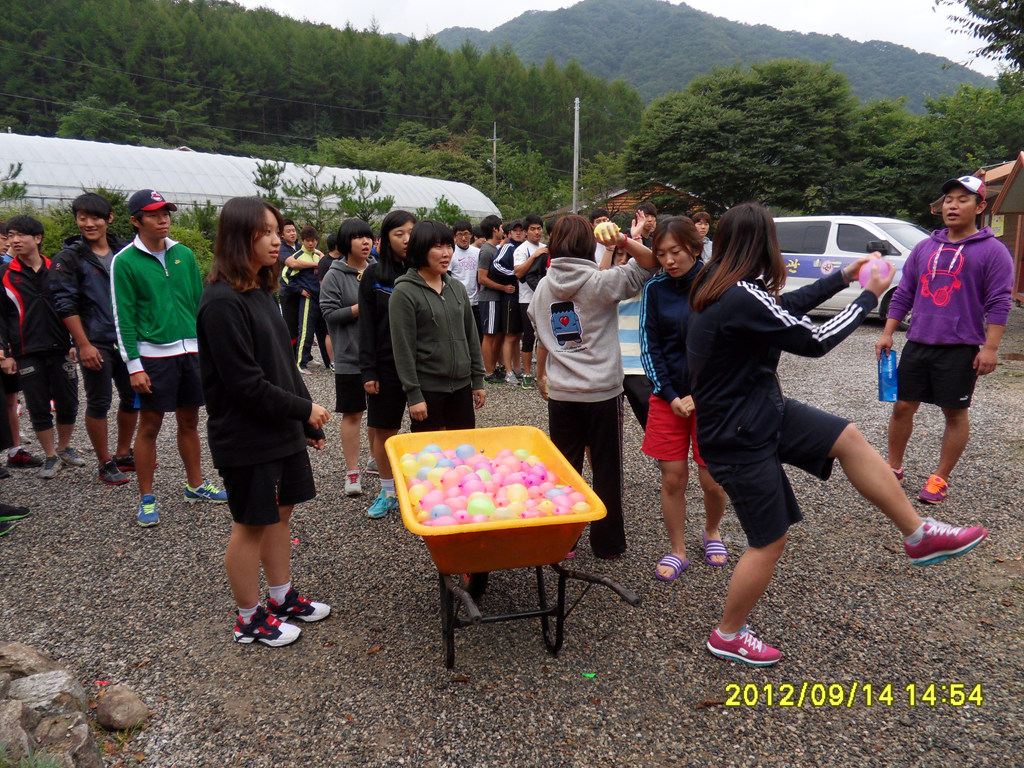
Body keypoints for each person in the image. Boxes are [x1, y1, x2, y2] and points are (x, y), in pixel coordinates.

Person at [687, 201, 989, 667]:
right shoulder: (739, 295)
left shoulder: (720, 285)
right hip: (738, 435)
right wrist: (868, 296)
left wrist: (844, 276)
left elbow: (783, 309)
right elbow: (814, 341)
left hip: (758, 413)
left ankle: (918, 534)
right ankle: (728, 634)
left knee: (847, 437)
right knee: (769, 541)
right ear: (762, 244)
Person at [197, 196, 330, 647]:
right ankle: (248, 620)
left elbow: (283, 367)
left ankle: (280, 597)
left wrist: (305, 420)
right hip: (246, 435)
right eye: (267, 232)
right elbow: (244, 384)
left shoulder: (260, 290)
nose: (278, 240)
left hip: (279, 428)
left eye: (278, 230)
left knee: (279, 514)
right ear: (239, 237)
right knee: (250, 524)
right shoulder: (221, 302)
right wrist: (302, 410)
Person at [875, 175, 1013, 505]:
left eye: (963, 200)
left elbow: (999, 301)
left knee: (954, 412)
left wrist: (990, 348)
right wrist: (887, 332)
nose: (953, 205)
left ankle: (940, 478)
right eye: (949, 199)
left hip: (960, 348)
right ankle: (893, 467)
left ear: (979, 207)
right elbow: (904, 291)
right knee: (902, 406)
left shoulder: (994, 251)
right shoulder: (925, 247)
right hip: (918, 342)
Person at [530, 214, 658, 559]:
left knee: (564, 471)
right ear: (590, 245)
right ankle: (608, 543)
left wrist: (542, 373)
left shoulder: (542, 289)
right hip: (602, 392)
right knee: (606, 470)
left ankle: (565, 541)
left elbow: (540, 332)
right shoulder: (602, 282)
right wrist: (623, 241)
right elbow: (651, 264)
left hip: (561, 393)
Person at [112, 189, 227, 527]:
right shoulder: (125, 261)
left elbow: (199, 303)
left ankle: (196, 485)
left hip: (190, 352)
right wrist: (134, 365)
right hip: (153, 357)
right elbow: (123, 316)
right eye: (153, 214)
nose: (163, 220)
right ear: (136, 221)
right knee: (150, 425)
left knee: (190, 422)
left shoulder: (184, 254)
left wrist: (209, 350)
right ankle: (147, 498)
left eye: (166, 213)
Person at [640, 216, 729, 580]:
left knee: (713, 479)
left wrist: (701, 393)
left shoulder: (717, 284)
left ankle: (712, 531)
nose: (668, 261)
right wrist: (669, 393)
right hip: (668, 399)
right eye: (661, 254)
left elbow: (728, 346)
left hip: (713, 399)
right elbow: (650, 346)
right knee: (673, 479)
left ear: (694, 247)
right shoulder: (655, 289)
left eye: (675, 251)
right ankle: (677, 548)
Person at [50, 192, 138, 485]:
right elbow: (65, 304)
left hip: (126, 335)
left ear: (109, 218)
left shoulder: (125, 250)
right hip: (95, 338)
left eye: (95, 217)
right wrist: (83, 344)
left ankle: (123, 453)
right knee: (99, 400)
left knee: (133, 396)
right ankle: (104, 462)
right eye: (82, 218)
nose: (89, 223)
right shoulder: (70, 257)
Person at [0, 215, 85, 479]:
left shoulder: (57, 268)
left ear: (37, 238)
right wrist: (5, 353)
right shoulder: (4, 274)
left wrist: (77, 342)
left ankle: (64, 448)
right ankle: (50, 455)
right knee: (37, 405)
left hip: (61, 347)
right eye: (10, 236)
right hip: (26, 350)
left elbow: (75, 305)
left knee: (68, 401)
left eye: (20, 235)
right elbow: (1, 317)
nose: (14, 240)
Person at [390, 220, 486, 432]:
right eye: (437, 246)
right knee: (430, 451)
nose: (446, 253)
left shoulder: (457, 288)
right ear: (420, 249)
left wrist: (478, 380)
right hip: (428, 389)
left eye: (448, 246)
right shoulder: (404, 292)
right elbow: (403, 348)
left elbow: (471, 336)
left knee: (463, 448)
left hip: (462, 387)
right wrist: (414, 395)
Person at [359, 210, 416, 519]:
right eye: (399, 234)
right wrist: (369, 370)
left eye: (411, 233)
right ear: (385, 238)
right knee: (385, 431)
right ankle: (388, 491)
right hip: (386, 365)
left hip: (422, 366)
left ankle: (421, 488)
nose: (406, 239)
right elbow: (366, 326)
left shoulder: (425, 271)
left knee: (425, 430)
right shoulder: (374, 276)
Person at [321, 218, 377, 497]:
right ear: (346, 243)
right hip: (349, 356)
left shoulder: (378, 270)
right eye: (358, 237)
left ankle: (376, 459)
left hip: (378, 356)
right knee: (353, 413)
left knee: (378, 413)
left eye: (368, 237)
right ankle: (352, 471)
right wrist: (360, 308)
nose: (365, 242)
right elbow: (329, 313)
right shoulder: (334, 275)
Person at [279, 225, 326, 374]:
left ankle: (329, 362)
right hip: (305, 299)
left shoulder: (317, 254)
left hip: (320, 298)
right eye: (308, 241)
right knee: (305, 331)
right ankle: (300, 363)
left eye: (313, 241)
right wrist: (300, 290)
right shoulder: (297, 255)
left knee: (324, 331)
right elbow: (285, 277)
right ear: (303, 241)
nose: (311, 243)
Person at [476, 215, 513, 383]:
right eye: (501, 227)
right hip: (489, 298)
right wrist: (503, 288)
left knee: (498, 334)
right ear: (494, 229)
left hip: (497, 298)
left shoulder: (495, 248)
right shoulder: (486, 250)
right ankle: (488, 372)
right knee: (489, 334)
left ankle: (496, 367)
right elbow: (482, 278)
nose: (503, 230)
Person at [512, 214, 546, 390]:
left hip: (545, 297)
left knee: (545, 336)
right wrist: (533, 257)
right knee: (528, 336)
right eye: (532, 229)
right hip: (527, 298)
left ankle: (543, 372)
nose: (536, 232)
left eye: (539, 228)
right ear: (526, 232)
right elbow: (518, 272)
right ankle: (526, 373)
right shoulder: (521, 249)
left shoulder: (546, 248)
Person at [449, 219, 482, 342]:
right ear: (455, 236)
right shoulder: (451, 253)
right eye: (460, 235)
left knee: (477, 335)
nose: (463, 238)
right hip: (458, 302)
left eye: (466, 234)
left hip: (476, 301)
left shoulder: (478, 252)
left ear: (471, 235)